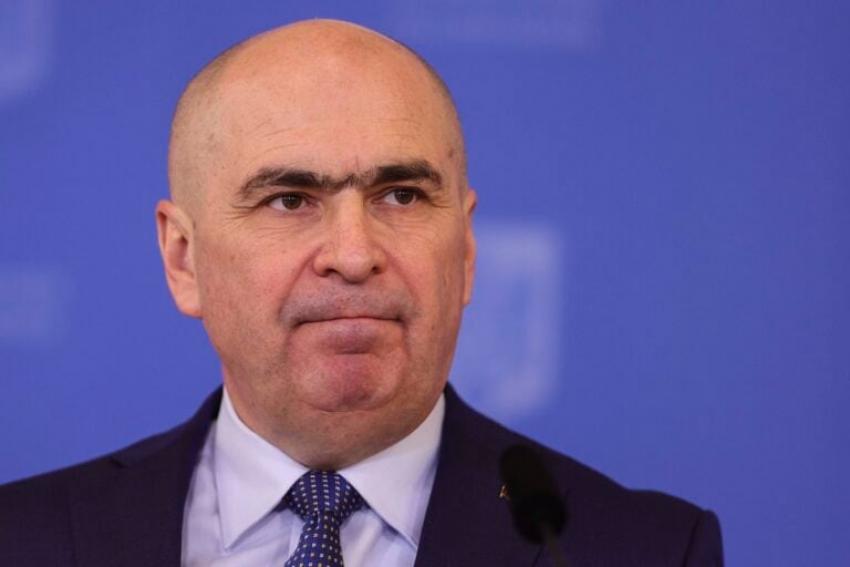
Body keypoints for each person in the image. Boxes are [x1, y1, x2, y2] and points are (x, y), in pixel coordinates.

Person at [0, 19, 723, 566]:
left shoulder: (644, 549)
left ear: (466, 249)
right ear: (183, 258)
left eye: (402, 195)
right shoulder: (23, 538)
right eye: (289, 200)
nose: (353, 255)